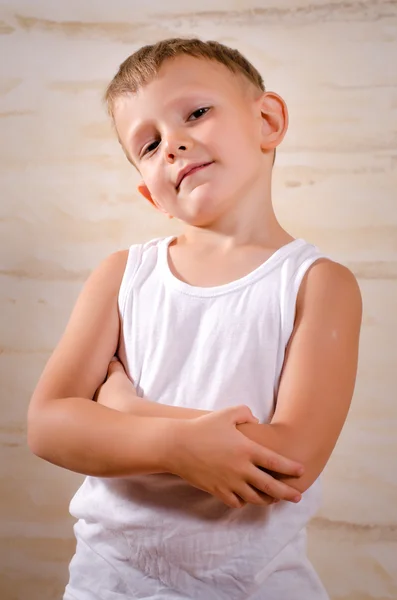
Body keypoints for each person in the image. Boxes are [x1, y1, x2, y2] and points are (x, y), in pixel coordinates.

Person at [27, 38, 362, 600]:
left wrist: (129, 412)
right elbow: (47, 426)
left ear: (267, 120)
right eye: (150, 144)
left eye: (197, 113)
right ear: (148, 192)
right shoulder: (122, 276)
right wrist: (176, 448)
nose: (174, 144)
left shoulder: (317, 283)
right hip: (107, 584)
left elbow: (288, 462)